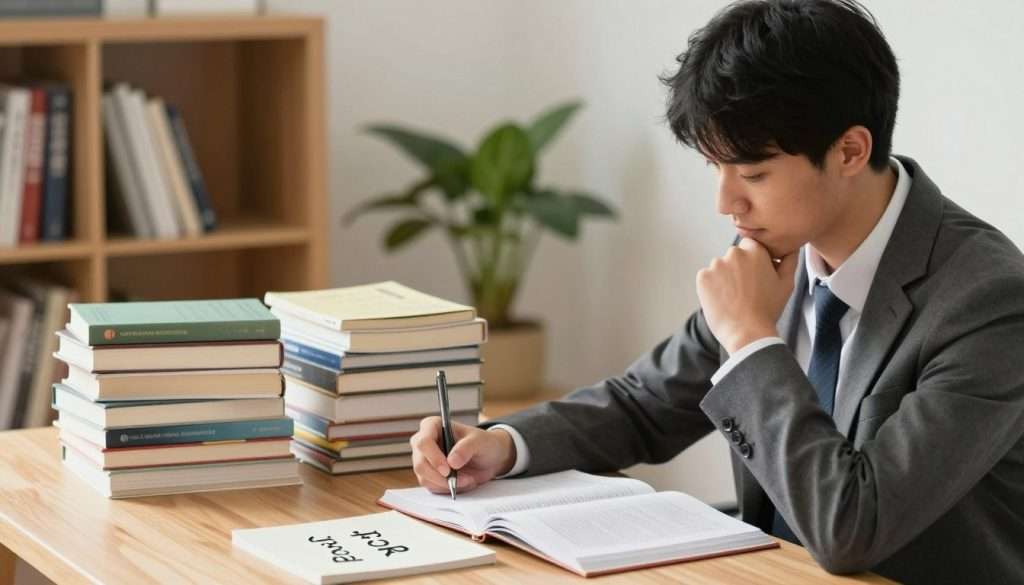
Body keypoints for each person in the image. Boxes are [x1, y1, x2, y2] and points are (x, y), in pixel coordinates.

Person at [408, 1, 1024, 582]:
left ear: (850, 151)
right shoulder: (774, 252)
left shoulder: (988, 301)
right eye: (715, 168)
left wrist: (752, 339)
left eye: (753, 173)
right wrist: (502, 445)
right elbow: (642, 403)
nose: (726, 203)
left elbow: (853, 527)